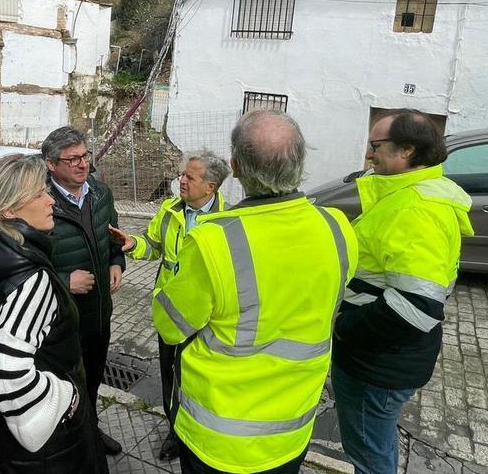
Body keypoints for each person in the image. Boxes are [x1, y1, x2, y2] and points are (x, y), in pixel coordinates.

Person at [152, 109, 358, 473]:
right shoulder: (337, 227)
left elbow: (170, 326)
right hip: (291, 430)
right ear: (300, 163)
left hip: (218, 437)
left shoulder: (212, 240)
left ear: (237, 167)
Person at [0, 153, 107, 473]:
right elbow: (7, 371)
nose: (51, 201)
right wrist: (65, 398)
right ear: (8, 209)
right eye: (39, 194)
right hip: (41, 457)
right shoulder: (31, 279)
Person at [332, 109, 473, 474]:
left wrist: (343, 328)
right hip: (384, 359)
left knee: (368, 451)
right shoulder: (407, 197)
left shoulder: (416, 209)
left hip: (376, 363)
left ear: (407, 150)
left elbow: (416, 308)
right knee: (374, 442)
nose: (368, 154)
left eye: (376, 145)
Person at [108, 150, 230, 461]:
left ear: (211, 187)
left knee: (201, 380)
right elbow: (155, 245)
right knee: (169, 375)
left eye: (190, 177)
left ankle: (201, 433)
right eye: (183, 174)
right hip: (170, 315)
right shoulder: (170, 209)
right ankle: (175, 432)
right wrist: (133, 244)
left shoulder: (228, 222)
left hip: (208, 319)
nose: (181, 180)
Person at [41, 126, 126, 455]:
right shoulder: (40, 204)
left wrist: (116, 262)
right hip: (61, 322)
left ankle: (90, 430)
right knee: (62, 389)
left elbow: (113, 237)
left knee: (90, 382)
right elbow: (24, 268)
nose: (82, 164)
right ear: (51, 164)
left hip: (99, 316)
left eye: (85, 156)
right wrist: (64, 281)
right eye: (72, 159)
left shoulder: (101, 193)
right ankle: (65, 445)